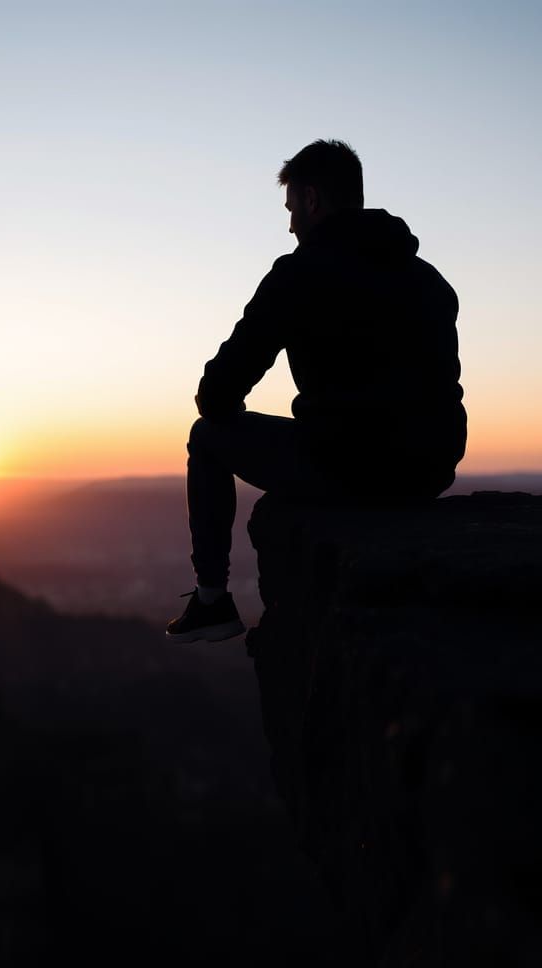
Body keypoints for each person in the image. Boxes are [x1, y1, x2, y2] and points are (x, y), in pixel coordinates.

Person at [166, 139, 467, 642]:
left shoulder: (299, 274)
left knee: (206, 436)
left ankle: (212, 601)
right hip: (429, 470)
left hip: (347, 467)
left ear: (311, 200)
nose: (289, 226)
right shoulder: (429, 279)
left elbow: (216, 393)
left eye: (290, 209)